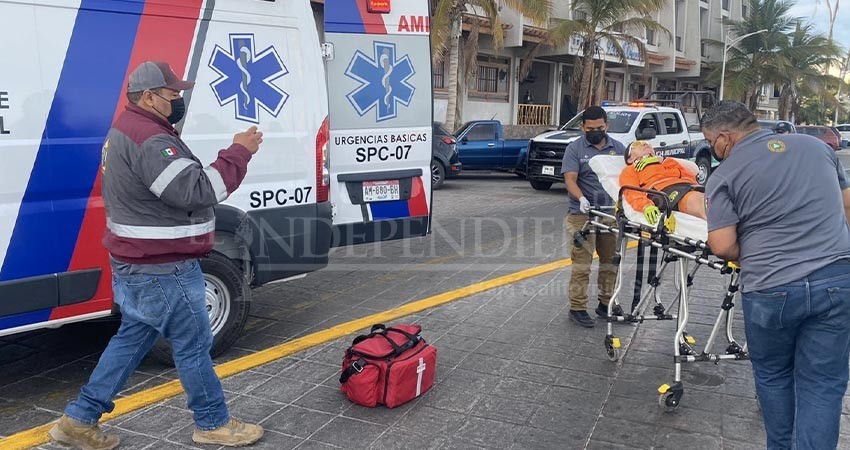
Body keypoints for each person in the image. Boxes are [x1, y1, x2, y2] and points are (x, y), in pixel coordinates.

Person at [49, 61, 265, 450]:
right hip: (163, 268)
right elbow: (197, 190)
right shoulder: (150, 138)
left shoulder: (126, 130)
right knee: (194, 345)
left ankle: (79, 420)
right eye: (173, 94)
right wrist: (238, 152)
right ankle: (213, 422)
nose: (179, 100)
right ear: (148, 97)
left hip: (138, 264)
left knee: (131, 339)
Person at [702, 101, 850, 450]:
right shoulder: (817, 148)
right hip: (836, 280)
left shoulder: (724, 174)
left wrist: (756, 252)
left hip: (772, 289)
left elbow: (721, 246)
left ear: (725, 137)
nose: (713, 150)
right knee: (823, 384)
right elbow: (847, 206)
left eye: (712, 143)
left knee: (774, 377)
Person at [561, 105, 626, 327]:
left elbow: (625, 179)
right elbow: (570, 178)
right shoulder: (575, 149)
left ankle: (606, 303)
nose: (595, 131)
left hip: (609, 214)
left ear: (606, 125)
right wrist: (581, 199)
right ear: (583, 127)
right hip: (582, 215)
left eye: (599, 127)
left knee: (610, 262)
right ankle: (577, 307)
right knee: (582, 264)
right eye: (590, 128)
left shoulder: (618, 149)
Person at [619, 140, 706, 224]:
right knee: (701, 202)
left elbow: (690, 177)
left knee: (713, 196)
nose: (645, 144)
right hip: (663, 191)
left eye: (647, 143)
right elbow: (631, 192)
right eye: (638, 144)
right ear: (630, 159)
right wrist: (646, 206)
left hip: (689, 187)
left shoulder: (665, 162)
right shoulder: (630, 169)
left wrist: (661, 160)